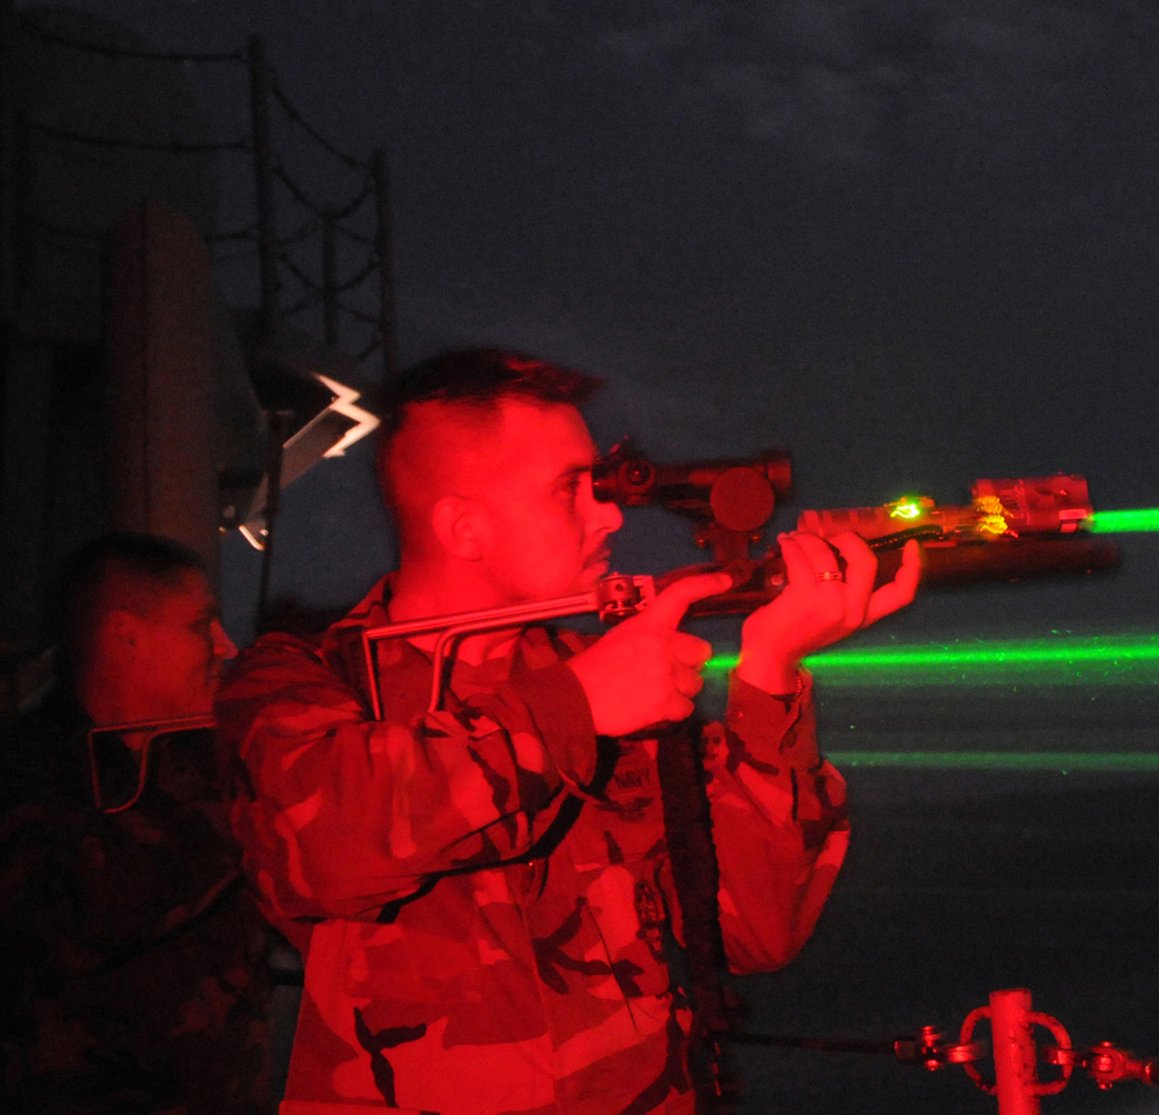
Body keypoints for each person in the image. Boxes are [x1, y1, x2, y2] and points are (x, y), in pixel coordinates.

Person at [218, 349, 918, 1115]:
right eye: (569, 490)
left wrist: (772, 673)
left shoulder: (612, 676)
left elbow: (752, 932)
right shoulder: (300, 680)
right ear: (464, 525)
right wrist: (574, 709)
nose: (610, 513)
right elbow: (323, 850)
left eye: (601, 485)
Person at [0, 532, 272, 1115]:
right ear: (127, 635)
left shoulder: (199, 763)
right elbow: (76, 914)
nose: (227, 646)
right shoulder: (29, 772)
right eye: (204, 625)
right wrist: (253, 820)